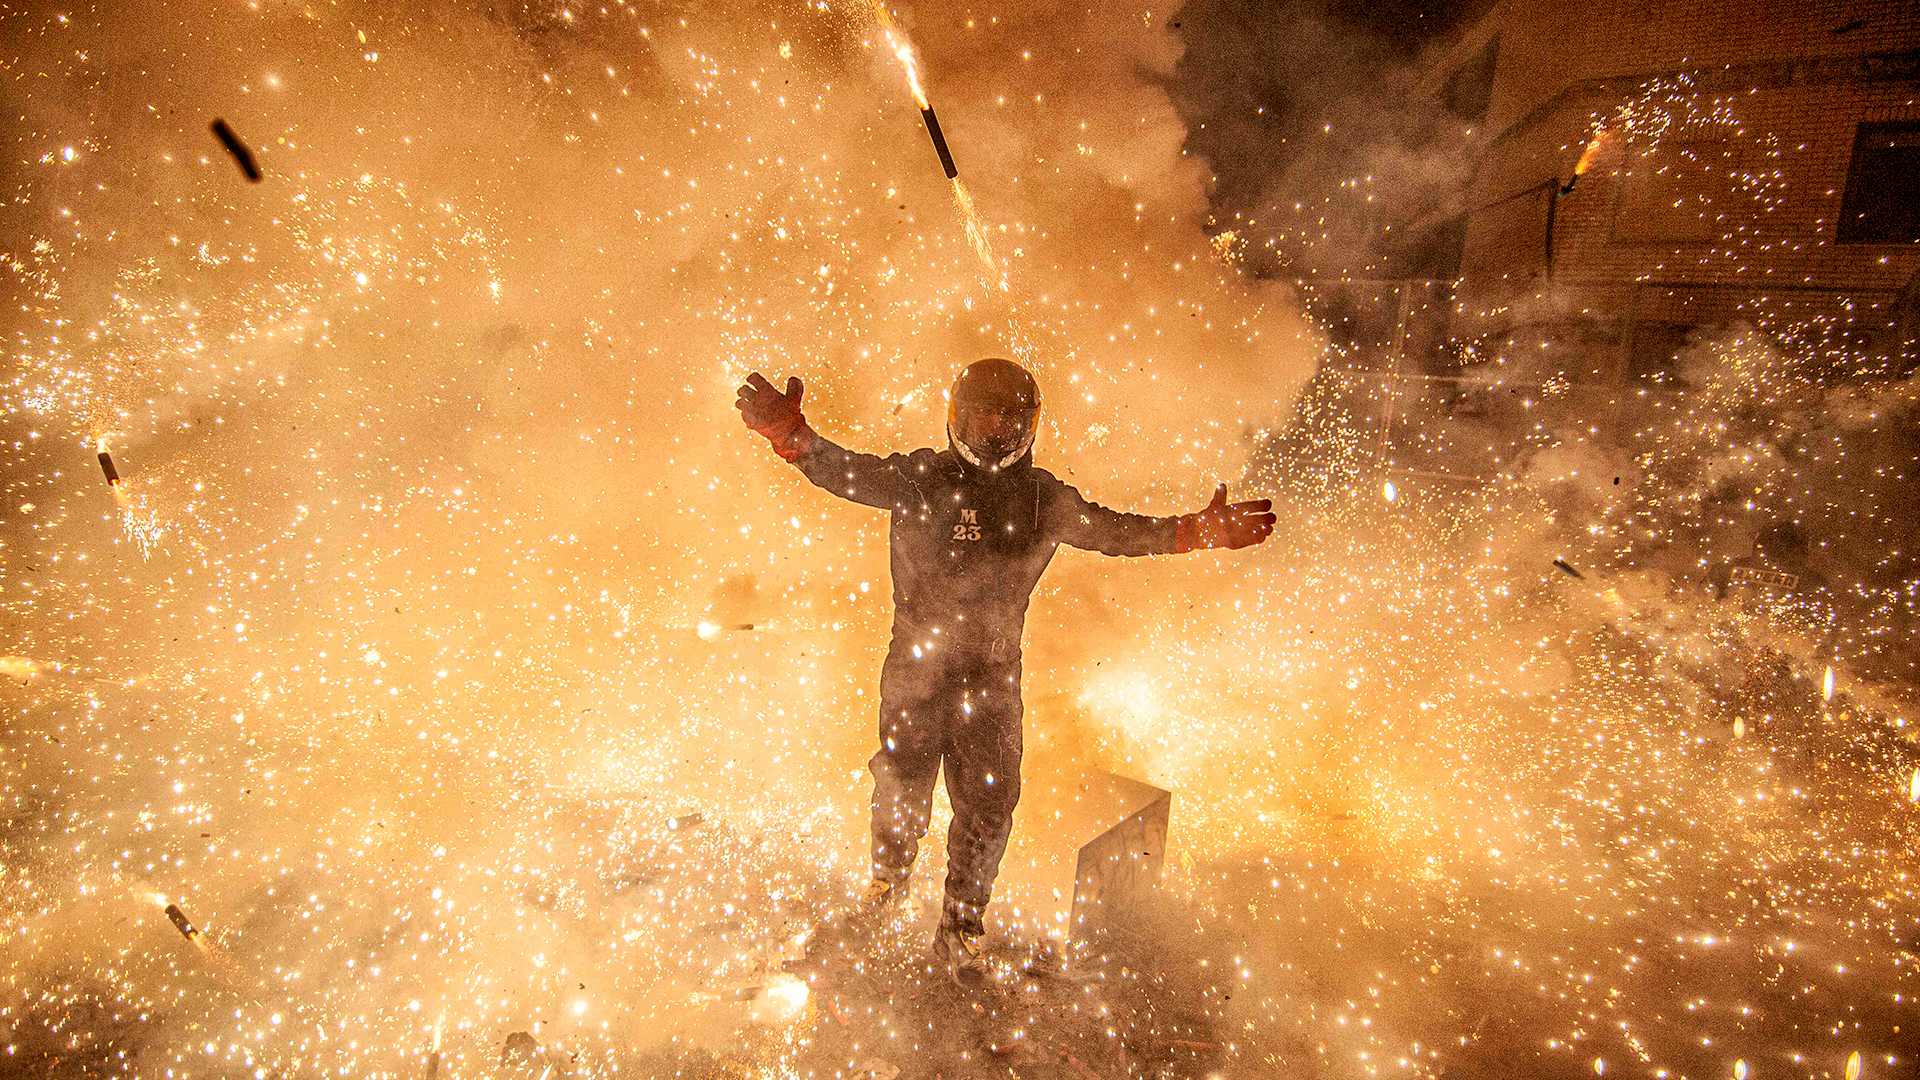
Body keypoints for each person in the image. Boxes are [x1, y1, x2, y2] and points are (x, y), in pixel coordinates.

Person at [735, 358, 1274, 988]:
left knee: (989, 806)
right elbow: (843, 471)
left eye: (1009, 418)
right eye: (984, 415)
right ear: (958, 418)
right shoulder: (921, 477)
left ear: (1029, 427)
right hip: (915, 671)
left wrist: (1193, 532)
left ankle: (961, 927)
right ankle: (888, 886)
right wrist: (791, 437)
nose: (995, 430)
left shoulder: (1044, 497)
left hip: (991, 681)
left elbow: (1114, 531)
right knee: (901, 787)